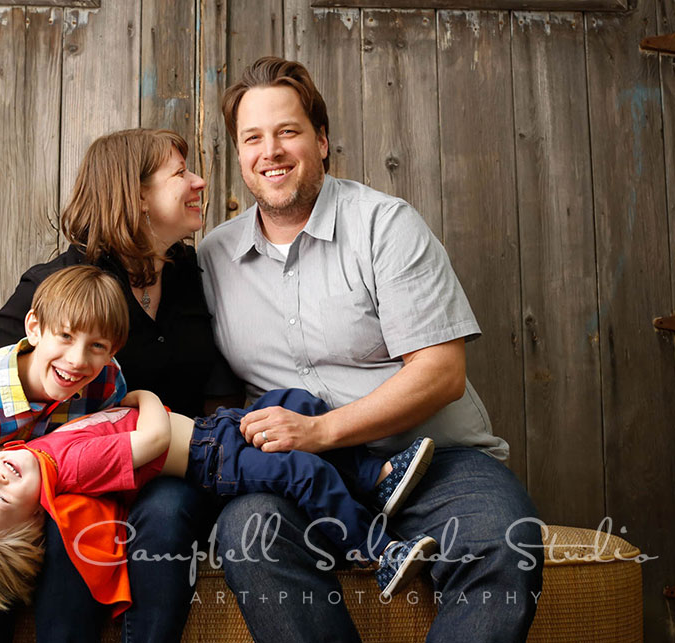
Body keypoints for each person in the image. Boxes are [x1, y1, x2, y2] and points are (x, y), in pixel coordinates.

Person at [197, 56, 544, 642]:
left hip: (433, 459)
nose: (270, 151)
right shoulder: (212, 258)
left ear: (322, 140)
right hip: (302, 475)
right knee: (247, 530)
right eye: (252, 138)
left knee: (502, 544)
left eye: (288, 132)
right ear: (239, 155)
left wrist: (319, 432)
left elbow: (440, 373)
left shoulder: (385, 225)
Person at [0, 128, 220, 643]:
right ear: (137, 195)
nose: (199, 181)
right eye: (181, 173)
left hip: (140, 464)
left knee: (154, 514)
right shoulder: (69, 282)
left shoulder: (187, 273)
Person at [0, 386, 438, 616]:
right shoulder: (65, 470)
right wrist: (146, 397)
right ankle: (375, 550)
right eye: (4, 497)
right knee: (298, 471)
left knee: (296, 406)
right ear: (30, 517)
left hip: (215, 431)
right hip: (210, 461)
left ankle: (376, 477)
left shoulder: (35, 449)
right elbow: (149, 441)